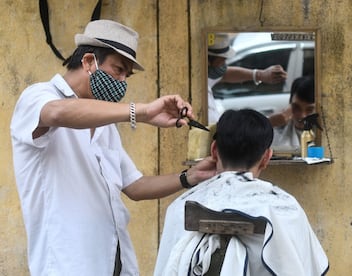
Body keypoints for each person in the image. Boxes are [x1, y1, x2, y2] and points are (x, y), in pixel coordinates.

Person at [10, 19, 216, 276]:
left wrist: (190, 177)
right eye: (118, 69)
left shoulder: (105, 125)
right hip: (67, 264)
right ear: (88, 62)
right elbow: (56, 113)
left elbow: (135, 186)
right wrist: (139, 112)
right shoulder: (39, 96)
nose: (121, 81)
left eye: (126, 75)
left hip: (114, 263)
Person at [154, 109, 329, 275]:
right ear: (266, 157)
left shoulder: (181, 207)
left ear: (214, 151)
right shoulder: (285, 208)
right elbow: (305, 268)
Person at [207, 33, 287, 124]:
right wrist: (269, 122)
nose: (225, 62)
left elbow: (225, 74)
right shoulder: (202, 100)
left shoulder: (208, 74)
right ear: (208, 61)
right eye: (222, 59)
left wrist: (260, 75)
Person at [269, 75, 316, 154]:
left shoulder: (327, 136)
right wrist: (269, 123)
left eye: (309, 110)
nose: (302, 116)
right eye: (297, 108)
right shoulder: (276, 131)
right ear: (290, 104)